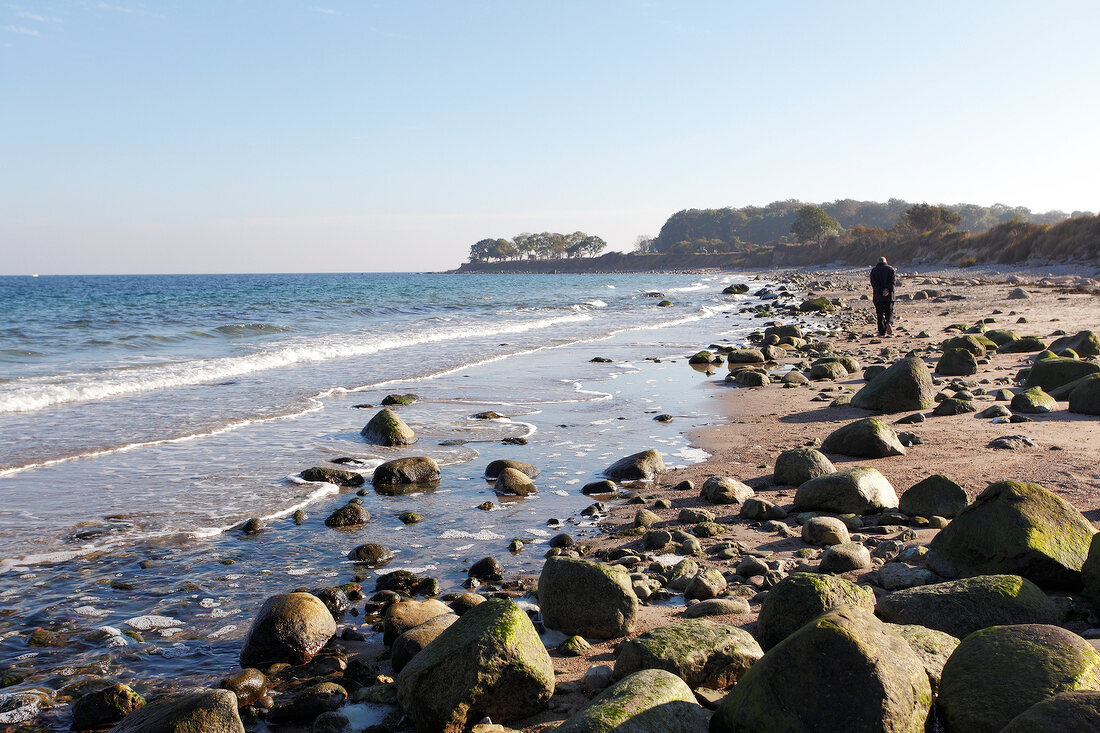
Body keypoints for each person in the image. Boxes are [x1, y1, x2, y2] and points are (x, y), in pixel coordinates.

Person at [869, 256, 897, 337]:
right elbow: (893, 282)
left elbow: (874, 283)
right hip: (889, 296)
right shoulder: (891, 269)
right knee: (889, 311)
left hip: (878, 296)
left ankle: (881, 332)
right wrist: (888, 290)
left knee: (880, 314)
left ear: (878, 262)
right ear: (886, 261)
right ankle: (888, 323)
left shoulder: (874, 270)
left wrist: (881, 291)